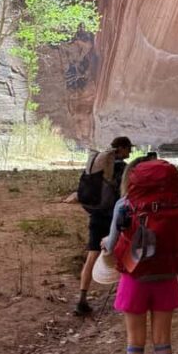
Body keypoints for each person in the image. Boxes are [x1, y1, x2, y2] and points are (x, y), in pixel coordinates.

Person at [107, 157, 178, 354]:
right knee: (163, 342)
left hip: (134, 278)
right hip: (166, 276)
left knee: (135, 342)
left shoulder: (124, 205)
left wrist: (106, 243)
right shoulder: (174, 204)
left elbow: (110, 247)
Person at [74, 135, 132, 316]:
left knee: (92, 256)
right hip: (113, 218)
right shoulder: (122, 168)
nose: (129, 152)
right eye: (128, 149)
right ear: (121, 149)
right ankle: (124, 298)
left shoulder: (97, 166)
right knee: (122, 256)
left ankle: (82, 299)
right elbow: (125, 193)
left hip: (96, 215)